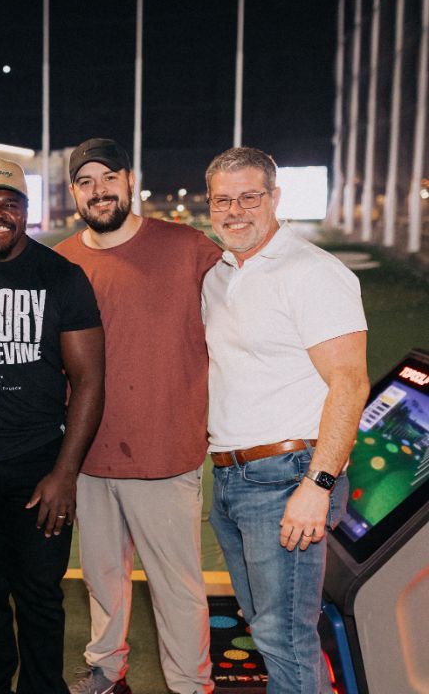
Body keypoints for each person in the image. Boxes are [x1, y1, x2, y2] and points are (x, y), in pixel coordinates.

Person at [54, 138, 219, 694]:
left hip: (165, 449)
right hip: (89, 453)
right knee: (102, 578)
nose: (98, 190)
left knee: (177, 585)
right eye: (85, 182)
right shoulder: (62, 261)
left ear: (129, 180)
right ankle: (106, 667)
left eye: (107, 178)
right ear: (74, 192)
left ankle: (191, 683)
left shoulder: (187, 246)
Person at [203, 146, 368, 693]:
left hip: (288, 476)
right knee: (267, 629)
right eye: (223, 200)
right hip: (231, 477)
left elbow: (349, 382)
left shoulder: (312, 272)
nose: (235, 210)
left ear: (275, 198)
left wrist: (318, 484)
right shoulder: (221, 275)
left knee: (284, 635)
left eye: (250, 196)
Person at [0, 157, 105, 694]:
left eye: (9, 204)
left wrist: (65, 473)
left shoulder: (61, 276)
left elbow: (88, 381)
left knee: (39, 592)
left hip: (38, 464)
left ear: (26, 213)